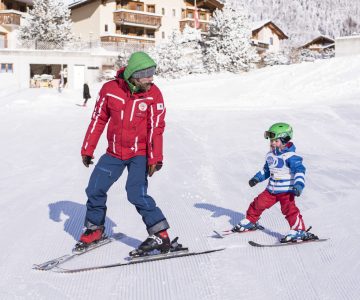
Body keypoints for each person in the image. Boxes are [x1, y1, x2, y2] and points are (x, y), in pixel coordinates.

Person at [78, 52, 170, 255]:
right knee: (95, 188)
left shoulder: (153, 94)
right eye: (146, 73)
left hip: (140, 153)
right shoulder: (110, 90)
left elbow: (156, 128)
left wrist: (155, 157)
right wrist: (88, 149)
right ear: (133, 74)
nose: (150, 78)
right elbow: (98, 119)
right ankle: (95, 228)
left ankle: (160, 234)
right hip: (114, 152)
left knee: (136, 193)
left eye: (152, 72)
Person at [232, 123, 318, 243]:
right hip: (271, 190)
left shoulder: (291, 156)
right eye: (271, 140)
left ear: (285, 140)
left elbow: (300, 171)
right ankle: (250, 221)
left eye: (276, 141)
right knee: (258, 203)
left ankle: (299, 230)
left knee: (289, 210)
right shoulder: (270, 155)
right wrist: (256, 178)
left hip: (287, 191)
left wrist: (298, 185)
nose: (272, 143)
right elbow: (266, 170)